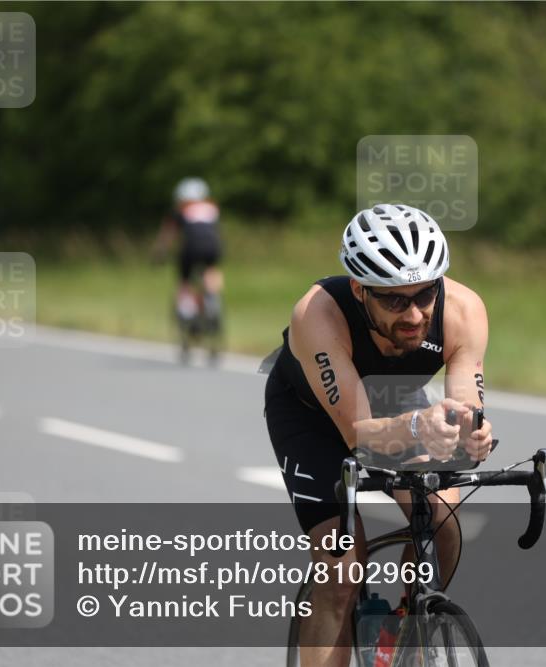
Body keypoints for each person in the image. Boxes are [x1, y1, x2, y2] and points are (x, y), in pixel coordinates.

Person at [264, 204, 493, 666]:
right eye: (394, 300)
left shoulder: (463, 310)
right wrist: (418, 427)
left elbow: (466, 404)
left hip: (393, 403)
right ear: (359, 290)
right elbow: (359, 436)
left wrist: (472, 432)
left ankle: (407, 629)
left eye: (425, 295)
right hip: (312, 419)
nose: (413, 314)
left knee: (444, 523)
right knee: (343, 567)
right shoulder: (319, 314)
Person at [153, 177, 224, 325]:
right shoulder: (212, 207)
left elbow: (169, 234)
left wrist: (160, 252)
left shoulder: (181, 209)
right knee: (210, 269)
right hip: (213, 246)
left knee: (184, 278)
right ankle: (213, 299)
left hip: (192, 247)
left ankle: (187, 308)